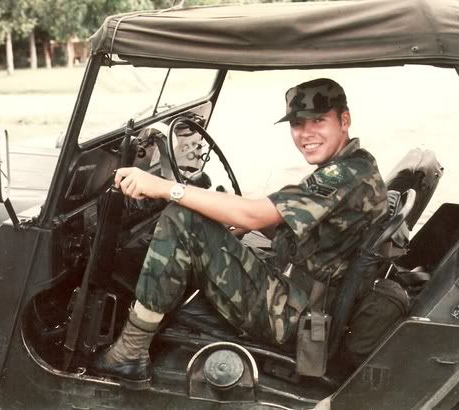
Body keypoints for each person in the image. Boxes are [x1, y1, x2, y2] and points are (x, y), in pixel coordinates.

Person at [91, 78, 389, 389]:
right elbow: (307, 228)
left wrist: (166, 188)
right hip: (306, 298)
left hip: (294, 317)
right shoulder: (359, 164)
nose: (306, 133)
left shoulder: (343, 175)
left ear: (344, 120)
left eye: (319, 120)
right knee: (203, 219)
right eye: (298, 124)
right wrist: (251, 222)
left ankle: (130, 352)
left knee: (182, 219)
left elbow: (255, 212)